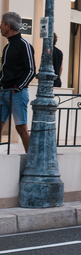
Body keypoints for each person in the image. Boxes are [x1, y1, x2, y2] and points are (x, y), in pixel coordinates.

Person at [0, 12, 36, 152]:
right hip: (4, 92)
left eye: (2, 23)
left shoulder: (24, 45)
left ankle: (31, 162)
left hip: (17, 93)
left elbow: (31, 70)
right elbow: (5, 71)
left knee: (21, 128)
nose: (0, 26)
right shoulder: (7, 47)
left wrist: (18, 88)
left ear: (8, 26)